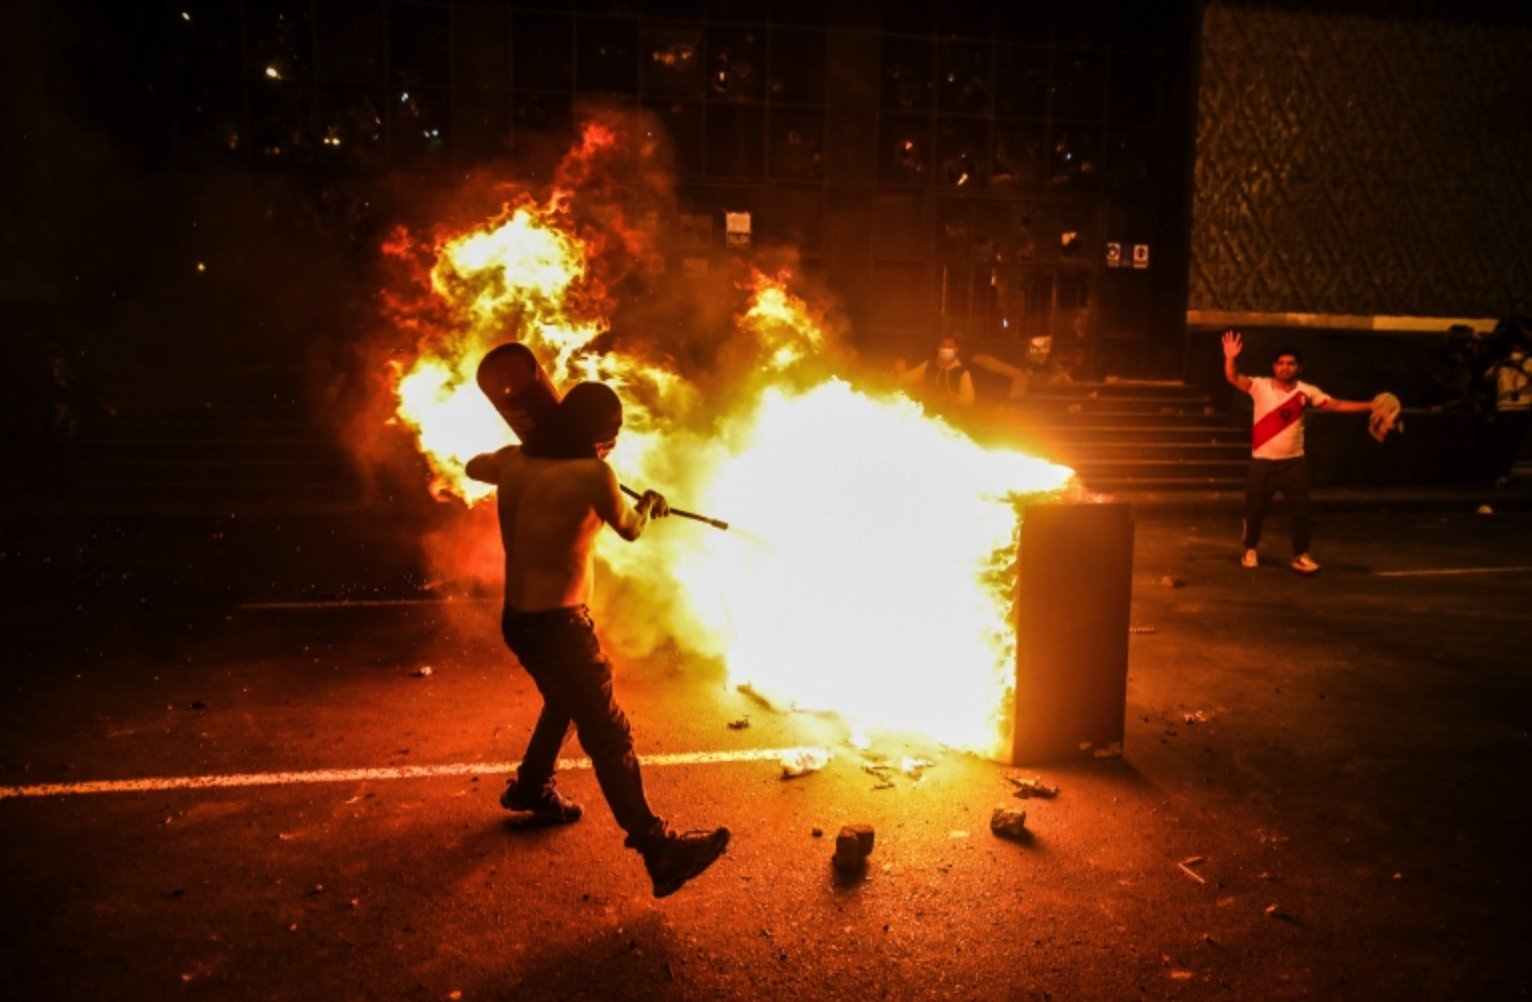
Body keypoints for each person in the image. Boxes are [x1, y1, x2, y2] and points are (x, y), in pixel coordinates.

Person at [466, 375, 730, 898]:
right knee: (609, 735)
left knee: (562, 702)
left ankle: (532, 788)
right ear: (597, 437)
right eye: (610, 437)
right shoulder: (596, 475)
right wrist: (652, 504)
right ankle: (659, 851)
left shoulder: (512, 462)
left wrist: (520, 446)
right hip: (562, 627)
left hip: (519, 621)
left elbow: (475, 466)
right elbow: (631, 528)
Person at [1221, 330, 1377, 575]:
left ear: (1299, 368)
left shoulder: (1307, 391)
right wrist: (1230, 357)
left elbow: (1335, 404)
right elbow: (1232, 377)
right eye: (1281, 363)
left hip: (1293, 463)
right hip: (1262, 462)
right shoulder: (1260, 386)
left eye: (1290, 363)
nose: (1285, 367)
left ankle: (1300, 555)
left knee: (1301, 511)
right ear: (1274, 366)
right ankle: (1250, 548)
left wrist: (1372, 405)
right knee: (1255, 509)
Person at [900, 335, 976, 407]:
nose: (946, 349)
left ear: (956, 349)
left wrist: (954, 398)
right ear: (938, 348)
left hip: (951, 414)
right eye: (943, 346)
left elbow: (969, 399)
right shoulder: (928, 365)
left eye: (949, 346)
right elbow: (907, 379)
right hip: (928, 411)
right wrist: (900, 371)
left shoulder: (962, 371)